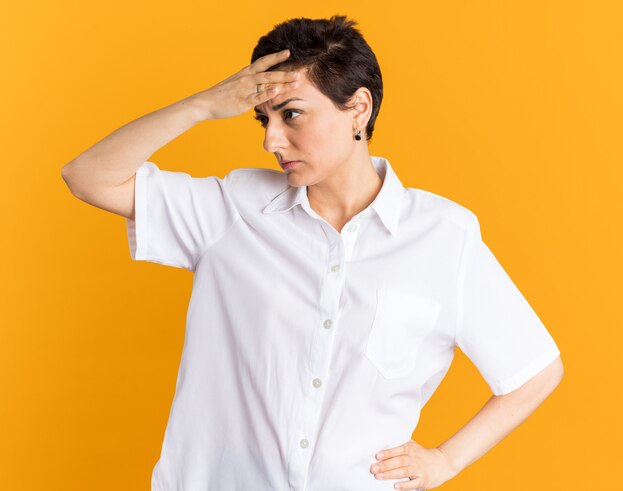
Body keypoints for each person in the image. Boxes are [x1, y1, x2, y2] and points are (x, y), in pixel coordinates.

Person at [61, 14, 564, 491]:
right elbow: (86, 176)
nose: (270, 140)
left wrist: (445, 460)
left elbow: (535, 370)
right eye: (262, 119)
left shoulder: (443, 236)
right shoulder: (231, 210)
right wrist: (204, 106)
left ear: (358, 109)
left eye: (291, 115)